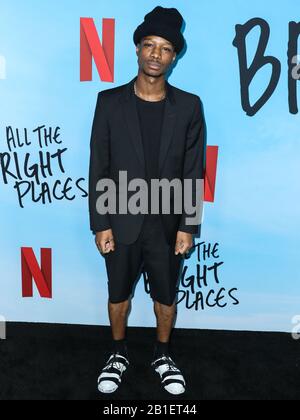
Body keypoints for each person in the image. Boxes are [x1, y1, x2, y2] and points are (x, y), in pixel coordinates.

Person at [88, 6, 205, 396]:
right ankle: (118, 353)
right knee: (118, 293)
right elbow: (99, 166)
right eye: (149, 45)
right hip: (120, 221)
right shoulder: (108, 102)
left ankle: (162, 355)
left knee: (166, 297)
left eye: (166, 48)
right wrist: (100, 223)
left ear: (175, 56)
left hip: (168, 226)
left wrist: (188, 226)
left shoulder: (190, 106)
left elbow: (194, 171)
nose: (156, 54)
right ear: (137, 50)